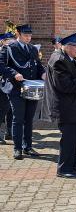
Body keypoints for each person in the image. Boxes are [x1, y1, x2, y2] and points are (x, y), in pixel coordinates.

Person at [44, 33, 76, 178]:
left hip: (72, 105)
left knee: (75, 136)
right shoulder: (59, 60)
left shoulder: (69, 58)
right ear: (67, 46)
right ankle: (64, 169)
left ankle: (72, 164)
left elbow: (75, 77)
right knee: (68, 138)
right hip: (64, 106)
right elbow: (65, 85)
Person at [0, 24, 45, 160]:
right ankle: (17, 148)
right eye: (26, 35)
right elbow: (1, 65)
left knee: (29, 119)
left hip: (31, 87)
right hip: (15, 88)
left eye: (30, 35)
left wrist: (43, 74)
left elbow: (37, 65)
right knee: (18, 118)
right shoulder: (8, 48)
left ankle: (28, 146)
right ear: (18, 34)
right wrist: (14, 73)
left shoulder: (32, 49)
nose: (28, 38)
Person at [0, 32, 15, 144]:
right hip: (2, 83)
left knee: (10, 109)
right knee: (2, 109)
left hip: (10, 83)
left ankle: (9, 132)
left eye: (12, 39)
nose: (11, 41)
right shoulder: (2, 51)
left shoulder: (13, 51)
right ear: (3, 41)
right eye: (8, 39)